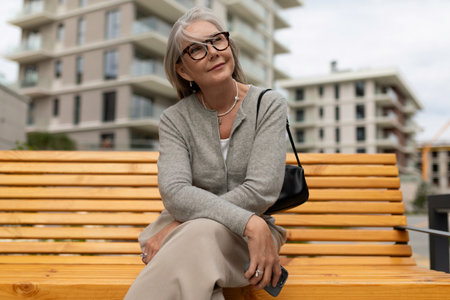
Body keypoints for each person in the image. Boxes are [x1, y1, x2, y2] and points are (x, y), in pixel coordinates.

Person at [124, 6, 287, 300]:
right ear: (183, 69)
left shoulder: (269, 104)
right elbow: (175, 192)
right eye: (196, 49)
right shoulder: (175, 119)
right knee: (200, 266)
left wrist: (183, 223)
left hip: (247, 242)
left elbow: (262, 189)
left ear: (229, 46)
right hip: (241, 229)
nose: (212, 52)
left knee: (199, 235)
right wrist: (248, 220)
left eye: (217, 41)